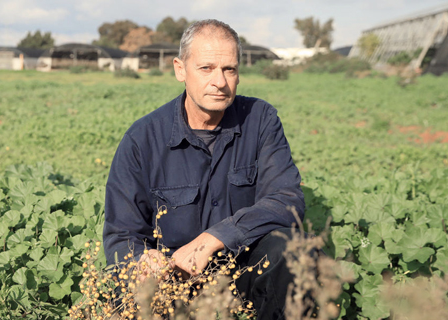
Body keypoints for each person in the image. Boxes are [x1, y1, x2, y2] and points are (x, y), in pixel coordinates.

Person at [103, 19, 305, 320]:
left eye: (229, 70)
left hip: (246, 276)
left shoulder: (260, 119)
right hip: (176, 284)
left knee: (294, 252)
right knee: (126, 285)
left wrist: (212, 238)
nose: (220, 82)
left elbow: (287, 200)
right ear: (180, 69)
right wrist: (142, 261)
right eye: (206, 68)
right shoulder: (142, 139)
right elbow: (121, 234)